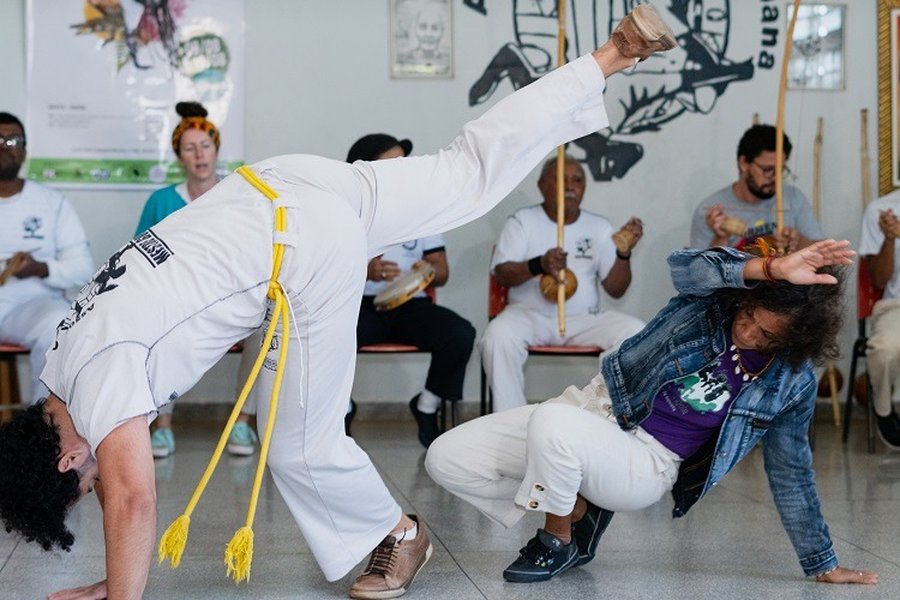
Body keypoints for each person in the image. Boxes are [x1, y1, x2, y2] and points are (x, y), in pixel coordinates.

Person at [0, 6, 678, 599]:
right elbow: (119, 483)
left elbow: (132, 499)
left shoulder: (94, 393)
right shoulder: (65, 347)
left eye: (82, 484)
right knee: (465, 170)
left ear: (66, 459)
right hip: (277, 182)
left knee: (296, 446)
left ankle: (400, 533)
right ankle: (611, 56)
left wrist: (119, 594)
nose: (106, 470)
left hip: (298, 244)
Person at [427, 240, 878, 586]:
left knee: (551, 424)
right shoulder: (703, 306)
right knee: (446, 458)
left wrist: (823, 563)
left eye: (766, 336)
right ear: (744, 299)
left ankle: (558, 537)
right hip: (590, 407)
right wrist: (771, 267)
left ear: (793, 341)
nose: (747, 333)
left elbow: (791, 471)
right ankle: (578, 503)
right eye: (748, 317)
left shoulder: (789, 383)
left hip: (646, 461)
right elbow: (686, 265)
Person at [134, 101, 258, 459]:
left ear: (216, 150)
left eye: (205, 146)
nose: (199, 155)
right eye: (189, 148)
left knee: (266, 332)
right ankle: (162, 427)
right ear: (180, 157)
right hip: (179, 300)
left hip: (235, 300)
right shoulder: (162, 201)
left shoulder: (239, 195)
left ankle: (242, 421)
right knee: (157, 330)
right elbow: (141, 257)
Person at [478, 154, 646, 412]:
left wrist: (624, 253)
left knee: (636, 333)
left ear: (584, 189)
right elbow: (502, 273)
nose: (570, 186)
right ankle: (508, 421)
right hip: (529, 316)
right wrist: (539, 265)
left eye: (577, 180)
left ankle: (598, 414)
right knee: (497, 337)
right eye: (560, 179)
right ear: (542, 186)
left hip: (583, 319)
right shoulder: (523, 221)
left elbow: (616, 288)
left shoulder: (599, 226)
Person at [347, 133, 475, 448]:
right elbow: (325, 269)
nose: (403, 172)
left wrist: (427, 271)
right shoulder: (349, 212)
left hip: (410, 306)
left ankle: (427, 405)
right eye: (392, 165)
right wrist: (365, 269)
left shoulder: (422, 211)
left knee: (460, 333)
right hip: (358, 305)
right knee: (326, 337)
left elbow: (441, 271)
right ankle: (342, 408)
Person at [0, 112, 93, 405]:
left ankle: (44, 429)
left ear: (24, 151)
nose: (4, 145)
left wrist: (41, 268)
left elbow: (82, 268)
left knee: (59, 323)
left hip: (30, 306)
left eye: (13, 140)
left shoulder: (51, 202)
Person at [689, 124, 823, 252]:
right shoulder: (710, 211)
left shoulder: (793, 198)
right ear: (744, 163)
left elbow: (822, 250)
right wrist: (720, 238)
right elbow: (700, 272)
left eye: (781, 169)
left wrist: (797, 242)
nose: (776, 178)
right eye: (768, 170)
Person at [858, 191, 900, 448]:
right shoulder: (883, 210)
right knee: (883, 350)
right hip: (897, 306)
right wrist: (889, 239)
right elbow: (879, 280)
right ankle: (884, 411)